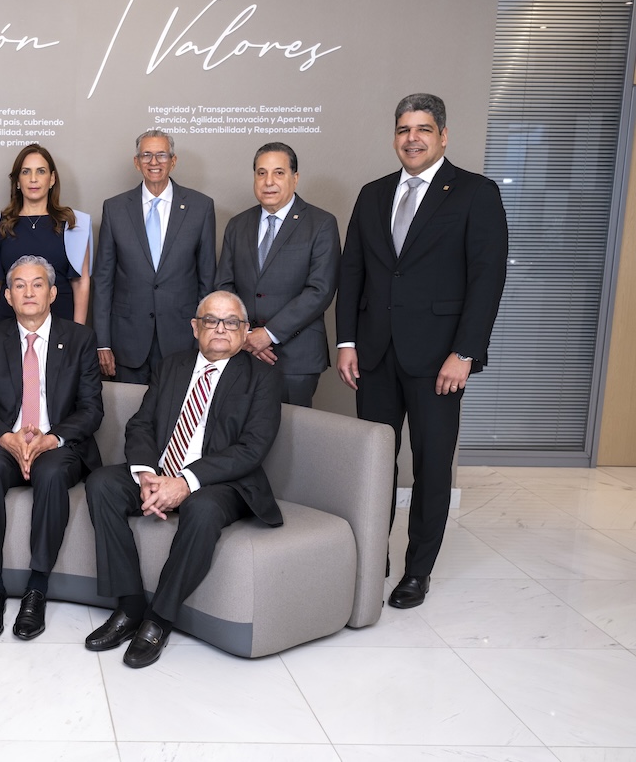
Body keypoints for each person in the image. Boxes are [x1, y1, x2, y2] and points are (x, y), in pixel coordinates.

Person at [337, 93, 508, 609]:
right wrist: (347, 341)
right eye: (404, 129)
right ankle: (375, 557)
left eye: (423, 129)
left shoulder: (475, 193)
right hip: (375, 356)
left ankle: (417, 571)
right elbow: (352, 272)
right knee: (375, 465)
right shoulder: (373, 193)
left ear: (443, 135)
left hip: (440, 361)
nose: (412, 139)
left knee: (431, 468)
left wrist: (466, 352)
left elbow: (487, 279)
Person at [85, 290, 282, 669]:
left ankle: (159, 618)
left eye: (231, 322)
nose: (220, 329)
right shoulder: (172, 366)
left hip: (222, 483)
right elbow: (141, 424)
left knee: (203, 509)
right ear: (195, 327)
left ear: (245, 332)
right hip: (160, 470)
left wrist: (186, 481)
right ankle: (130, 606)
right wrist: (146, 474)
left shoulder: (263, 378)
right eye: (211, 320)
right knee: (102, 484)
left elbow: (252, 449)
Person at [0, 255, 103, 641]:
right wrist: (6, 437)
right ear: (8, 296)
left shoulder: (80, 339)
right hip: (4, 440)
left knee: (53, 471)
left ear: (53, 293)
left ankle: (36, 587)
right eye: (19, 285)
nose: (29, 292)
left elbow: (91, 409)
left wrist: (51, 438)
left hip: (56, 441)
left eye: (38, 284)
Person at [215, 142, 340, 407]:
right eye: (261, 173)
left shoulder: (321, 223)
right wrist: (246, 335)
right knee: (241, 428)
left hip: (296, 358)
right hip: (243, 352)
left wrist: (268, 334)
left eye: (278, 173)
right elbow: (224, 286)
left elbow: (320, 290)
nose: (268, 181)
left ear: (295, 178)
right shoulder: (237, 225)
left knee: (292, 431)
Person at [93, 129, 216, 384]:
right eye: (146, 155)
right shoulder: (115, 209)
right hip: (127, 342)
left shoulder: (200, 207)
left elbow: (207, 280)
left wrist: (205, 337)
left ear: (173, 160)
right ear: (136, 162)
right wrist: (103, 342)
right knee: (128, 407)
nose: (154, 162)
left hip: (182, 338)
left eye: (161, 155)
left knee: (175, 408)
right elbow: (103, 281)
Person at [0, 144, 91, 326]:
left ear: (52, 179)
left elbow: (81, 283)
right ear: (17, 181)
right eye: (26, 172)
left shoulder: (73, 223)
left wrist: (79, 334)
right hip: (8, 327)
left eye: (41, 171)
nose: (33, 179)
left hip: (62, 326)